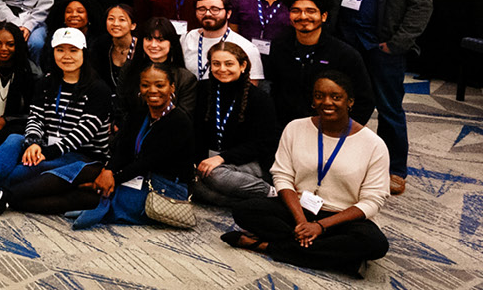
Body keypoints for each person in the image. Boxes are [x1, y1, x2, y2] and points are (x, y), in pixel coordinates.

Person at [225, 72, 391, 277]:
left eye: (336, 97)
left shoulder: (373, 145)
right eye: (319, 96)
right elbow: (282, 177)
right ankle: (341, 260)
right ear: (313, 100)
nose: (327, 102)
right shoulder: (295, 128)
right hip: (299, 209)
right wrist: (302, 221)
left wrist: (320, 226)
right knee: (244, 210)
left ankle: (266, 246)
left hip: (342, 218)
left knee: (375, 243)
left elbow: (372, 201)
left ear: (350, 102)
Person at [313, 0, 429, 195]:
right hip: (344, 42)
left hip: (382, 46)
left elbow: (421, 6)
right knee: (336, 102)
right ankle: (335, 160)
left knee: (389, 109)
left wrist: (397, 44)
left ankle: (395, 168)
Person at [0, 29, 111, 214]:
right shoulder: (46, 83)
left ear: (84, 52)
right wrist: (33, 143)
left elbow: (83, 133)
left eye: (73, 50)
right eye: (60, 50)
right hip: (47, 145)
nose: (66, 56)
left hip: (82, 154)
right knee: (15, 139)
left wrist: (46, 152)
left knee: (26, 170)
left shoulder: (98, 89)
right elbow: (36, 117)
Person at [68, 61, 198, 229]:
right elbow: (124, 147)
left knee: (96, 196)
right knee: (85, 185)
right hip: (140, 177)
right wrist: (108, 170)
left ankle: (103, 210)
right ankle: (101, 207)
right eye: (145, 85)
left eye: (160, 85)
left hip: (166, 186)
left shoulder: (179, 121)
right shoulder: (140, 113)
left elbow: (148, 162)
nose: (152, 90)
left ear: (172, 88)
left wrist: (113, 180)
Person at [188, 42, 279, 206]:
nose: (222, 69)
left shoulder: (260, 98)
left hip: (247, 163)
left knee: (214, 176)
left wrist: (222, 158)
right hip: (211, 160)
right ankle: (249, 202)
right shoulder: (202, 89)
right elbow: (196, 131)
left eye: (229, 64)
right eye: (216, 64)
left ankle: (273, 193)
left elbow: (263, 144)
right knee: (195, 185)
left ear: (242, 66)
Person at [265, 0, 371, 125]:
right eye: (296, 11)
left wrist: (344, 130)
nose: (303, 16)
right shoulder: (279, 47)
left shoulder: (345, 54)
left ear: (324, 16)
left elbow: (364, 101)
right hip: (286, 128)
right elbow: (272, 89)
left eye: (311, 11)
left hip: (329, 127)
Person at [119, 18, 200, 122]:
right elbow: (120, 107)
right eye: (149, 39)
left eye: (160, 40)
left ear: (171, 43)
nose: (153, 45)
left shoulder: (185, 78)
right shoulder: (129, 69)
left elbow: (184, 118)